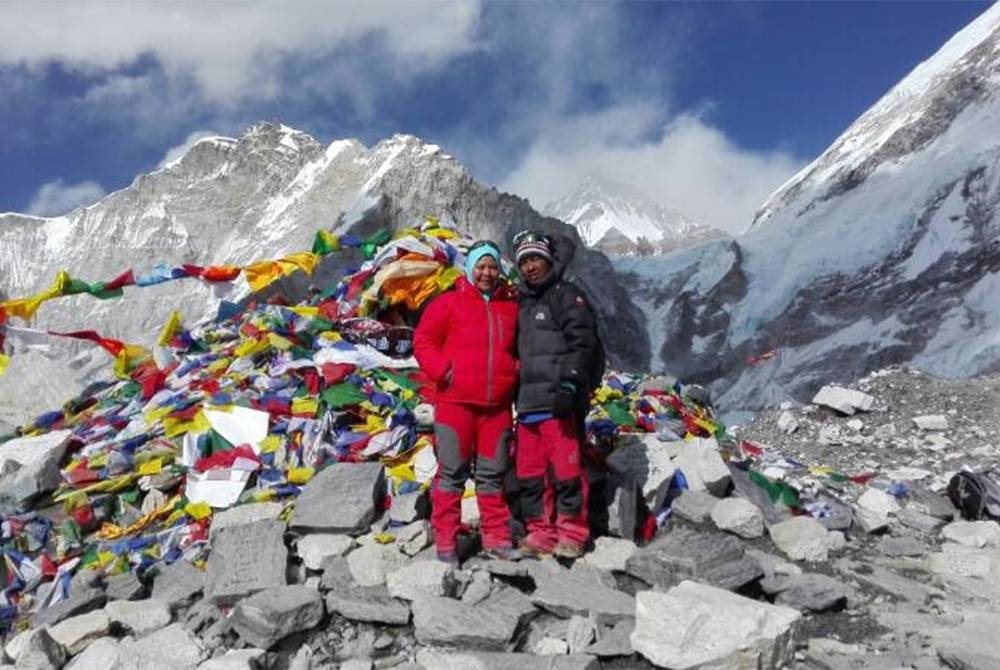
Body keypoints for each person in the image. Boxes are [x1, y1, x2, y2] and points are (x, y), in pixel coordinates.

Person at [413, 240, 521, 565]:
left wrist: (514, 372)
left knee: (492, 475)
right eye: (481, 266)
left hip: (497, 408)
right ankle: (446, 543)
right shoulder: (448, 303)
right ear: (470, 268)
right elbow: (424, 340)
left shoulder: (511, 308)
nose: (486, 272)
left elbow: (522, 349)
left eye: (492, 266)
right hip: (455, 403)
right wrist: (443, 371)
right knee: (451, 473)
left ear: (499, 271)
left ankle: (497, 539)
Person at [512, 231, 601, 559]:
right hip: (527, 405)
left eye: (535, 259)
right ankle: (540, 532)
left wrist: (571, 384)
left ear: (549, 260)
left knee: (566, 470)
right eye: (524, 261)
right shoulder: (522, 302)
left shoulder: (566, 295)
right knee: (530, 473)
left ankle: (572, 532)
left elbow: (583, 342)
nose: (530, 266)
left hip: (559, 402)